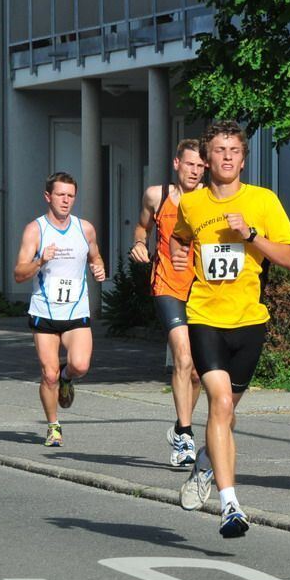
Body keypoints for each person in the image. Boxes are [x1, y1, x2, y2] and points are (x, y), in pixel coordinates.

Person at [169, 121, 290, 538]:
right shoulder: (192, 203)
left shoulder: (263, 201)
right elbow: (179, 236)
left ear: (244, 157)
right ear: (206, 159)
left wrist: (252, 235)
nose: (227, 157)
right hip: (205, 317)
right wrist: (177, 259)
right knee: (220, 402)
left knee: (226, 413)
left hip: (249, 322)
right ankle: (230, 506)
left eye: (234, 150)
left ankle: (205, 464)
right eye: (220, 150)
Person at [13, 172, 106, 447]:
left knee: (80, 364)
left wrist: (98, 266)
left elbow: (95, 255)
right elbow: (19, 273)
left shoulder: (85, 228)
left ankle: (68, 378)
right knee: (48, 373)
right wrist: (40, 260)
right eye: (60, 195)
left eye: (70, 196)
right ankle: (54, 426)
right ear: (48, 197)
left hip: (76, 311)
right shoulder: (35, 230)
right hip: (45, 311)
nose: (66, 201)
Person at [129, 139, 206, 468]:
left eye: (201, 166)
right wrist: (138, 244)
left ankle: (179, 425)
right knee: (183, 358)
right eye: (190, 164)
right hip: (167, 286)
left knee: (199, 373)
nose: (195, 171)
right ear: (177, 164)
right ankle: (187, 436)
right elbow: (142, 227)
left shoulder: (210, 199)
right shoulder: (156, 195)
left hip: (202, 290)